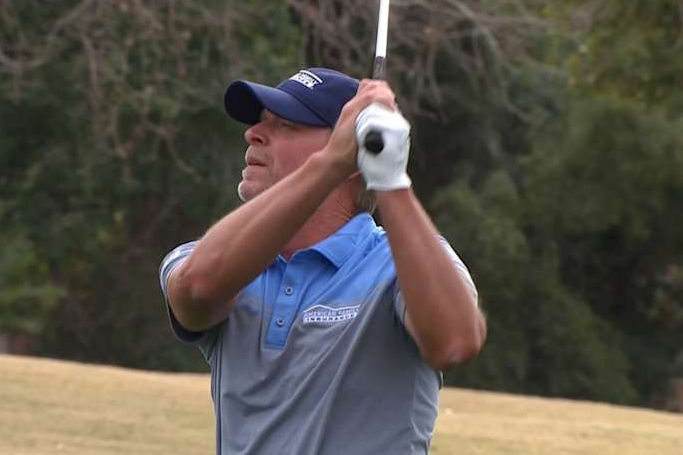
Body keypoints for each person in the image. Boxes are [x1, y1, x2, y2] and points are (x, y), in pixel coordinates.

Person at [159, 67, 486, 454]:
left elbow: (454, 341)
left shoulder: (402, 262)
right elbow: (196, 289)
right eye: (260, 122)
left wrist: (389, 179)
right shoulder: (218, 258)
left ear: (356, 153)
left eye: (285, 125)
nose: (253, 133)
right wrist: (331, 161)